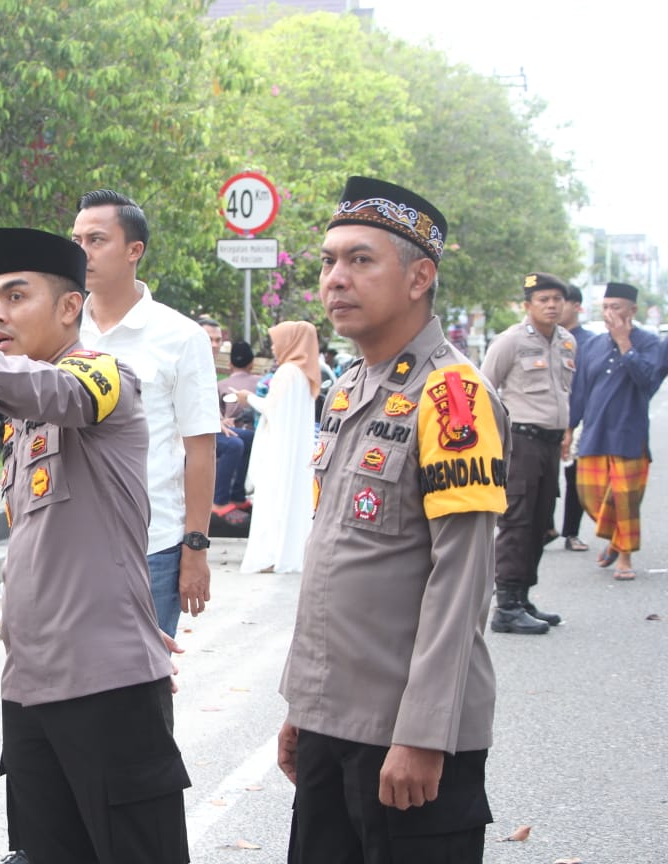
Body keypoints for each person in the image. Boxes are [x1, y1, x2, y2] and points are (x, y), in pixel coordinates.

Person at [0, 227, 189, 864]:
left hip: (106, 685)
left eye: (16, 297)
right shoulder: (20, 420)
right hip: (29, 686)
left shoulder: (105, 375)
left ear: (70, 306)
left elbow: (63, 392)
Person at [278, 177, 507, 863]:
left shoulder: (453, 395)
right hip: (332, 722)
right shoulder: (348, 387)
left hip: (407, 736)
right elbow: (335, 558)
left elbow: (461, 580)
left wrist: (424, 734)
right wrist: (304, 709)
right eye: (328, 261)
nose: (335, 278)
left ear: (419, 278)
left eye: (360, 260)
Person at [72, 189, 220, 637]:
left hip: (151, 547)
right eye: (77, 241)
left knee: (142, 677)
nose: (82, 252)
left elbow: (200, 450)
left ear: (134, 250)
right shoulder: (62, 328)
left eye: (96, 240)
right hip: (68, 545)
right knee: (68, 676)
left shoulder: (181, 336)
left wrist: (195, 548)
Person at [478, 272, 575, 634]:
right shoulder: (511, 341)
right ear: (527, 305)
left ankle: (522, 596)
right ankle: (506, 606)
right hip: (520, 443)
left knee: (540, 523)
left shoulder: (567, 342)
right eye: (543, 300)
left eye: (557, 299)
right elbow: (484, 389)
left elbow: (564, 393)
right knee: (517, 522)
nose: (551, 306)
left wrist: (566, 432)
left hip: (550, 443)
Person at [568, 282, 668, 581]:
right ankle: (615, 538)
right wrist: (569, 428)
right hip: (594, 433)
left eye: (616, 307)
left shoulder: (651, 344)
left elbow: (648, 382)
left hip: (629, 434)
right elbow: (579, 391)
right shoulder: (592, 345)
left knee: (625, 500)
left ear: (632, 310)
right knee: (589, 495)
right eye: (606, 307)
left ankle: (625, 557)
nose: (609, 312)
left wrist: (625, 343)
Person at [234, 320, 320, 574]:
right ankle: (285, 554)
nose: (273, 348)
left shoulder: (287, 372)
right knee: (289, 501)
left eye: (276, 342)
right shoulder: (305, 374)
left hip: (280, 449)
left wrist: (247, 398)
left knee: (274, 499)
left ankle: (271, 556)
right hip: (293, 450)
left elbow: (272, 408)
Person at [558, 283, 595, 551]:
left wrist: (571, 426)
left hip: (578, 418)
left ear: (577, 307)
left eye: (562, 301)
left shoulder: (589, 342)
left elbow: (583, 388)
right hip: (542, 419)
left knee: (575, 478)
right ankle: (544, 527)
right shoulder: (542, 338)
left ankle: (571, 532)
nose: (555, 307)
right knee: (541, 479)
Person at [212, 340, 260, 518]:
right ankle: (219, 501)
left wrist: (221, 420)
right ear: (252, 363)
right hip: (207, 428)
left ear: (230, 364)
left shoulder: (220, 384)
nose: (214, 345)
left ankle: (237, 495)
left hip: (224, 426)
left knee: (248, 438)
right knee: (236, 444)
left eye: (217, 340)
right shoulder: (261, 382)